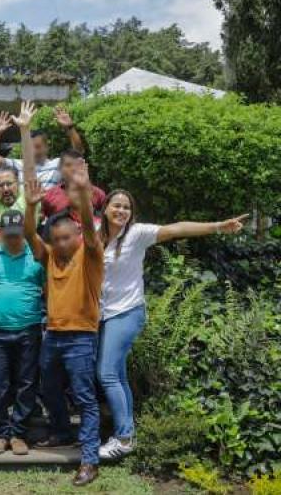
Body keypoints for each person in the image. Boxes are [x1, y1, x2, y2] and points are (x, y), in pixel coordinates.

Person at [96, 190, 249, 460]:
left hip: (128, 312)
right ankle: (127, 432)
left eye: (126, 207)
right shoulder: (96, 233)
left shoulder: (137, 233)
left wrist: (217, 226)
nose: (121, 211)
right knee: (117, 375)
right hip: (105, 314)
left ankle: (123, 437)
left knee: (107, 373)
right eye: (116, 206)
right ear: (105, 208)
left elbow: (177, 228)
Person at [23, 166, 103, 487]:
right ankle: (61, 432)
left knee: (84, 398)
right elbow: (30, 235)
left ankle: (89, 460)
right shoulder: (51, 256)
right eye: (56, 238)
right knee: (49, 388)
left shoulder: (91, 254)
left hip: (81, 337)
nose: (61, 242)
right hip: (53, 335)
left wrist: (83, 193)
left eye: (66, 237)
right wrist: (30, 206)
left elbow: (89, 227)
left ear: (77, 236)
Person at [0, 210, 45, 456]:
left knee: (26, 384)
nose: (14, 239)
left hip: (29, 330)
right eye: (9, 234)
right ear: (1, 233)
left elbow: (48, 289)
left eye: (17, 235)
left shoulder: (36, 256)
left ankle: (18, 433)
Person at [0, 104, 84, 190]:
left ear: (47, 147)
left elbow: (78, 153)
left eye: (37, 147)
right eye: (29, 147)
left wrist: (70, 128)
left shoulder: (57, 165)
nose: (32, 151)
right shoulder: (17, 165)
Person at [41, 149, 106, 220]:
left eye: (77, 165)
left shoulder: (98, 194)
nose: (73, 169)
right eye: (68, 165)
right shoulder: (49, 195)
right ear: (60, 168)